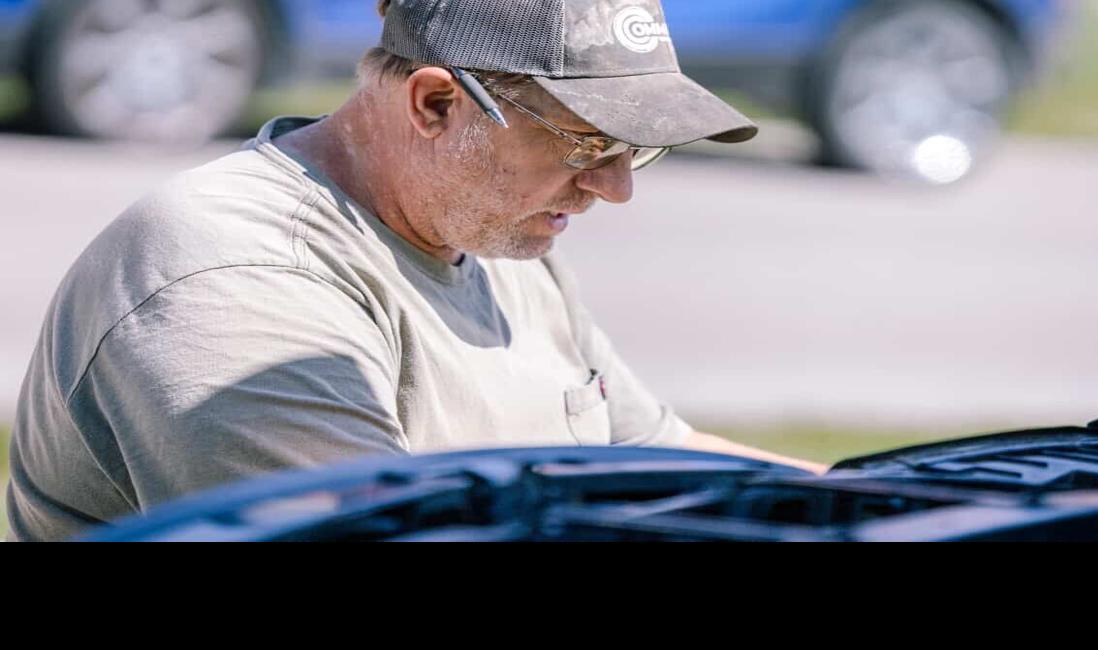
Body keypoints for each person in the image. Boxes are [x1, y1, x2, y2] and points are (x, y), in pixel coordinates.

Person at [6, 0, 828, 542]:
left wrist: (870, 501)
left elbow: (659, 453)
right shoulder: (232, 273)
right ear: (436, 104)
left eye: (638, 149)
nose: (616, 189)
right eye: (590, 143)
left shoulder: (497, 237)